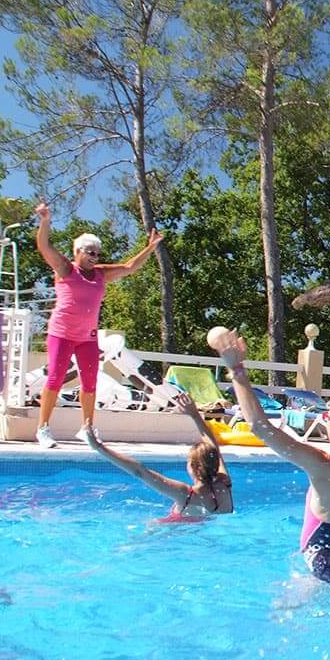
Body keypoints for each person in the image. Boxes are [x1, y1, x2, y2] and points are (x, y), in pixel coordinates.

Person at [211, 327, 330, 588]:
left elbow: (259, 426)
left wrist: (237, 370)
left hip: (322, 569)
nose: (325, 420)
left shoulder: (324, 464)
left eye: (328, 417)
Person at [33, 202, 164, 448]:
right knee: (55, 379)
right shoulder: (65, 268)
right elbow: (43, 246)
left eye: (97, 253)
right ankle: (43, 428)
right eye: (91, 252)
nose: (95, 257)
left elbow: (129, 267)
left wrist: (150, 247)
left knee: (90, 382)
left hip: (87, 337)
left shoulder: (101, 274)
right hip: (61, 334)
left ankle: (87, 428)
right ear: (78, 252)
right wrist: (46, 221)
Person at [84, 393, 233, 518]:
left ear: (192, 467)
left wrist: (99, 447)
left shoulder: (185, 494)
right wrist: (195, 415)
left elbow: (140, 472)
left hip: (173, 536)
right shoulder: (225, 485)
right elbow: (214, 448)